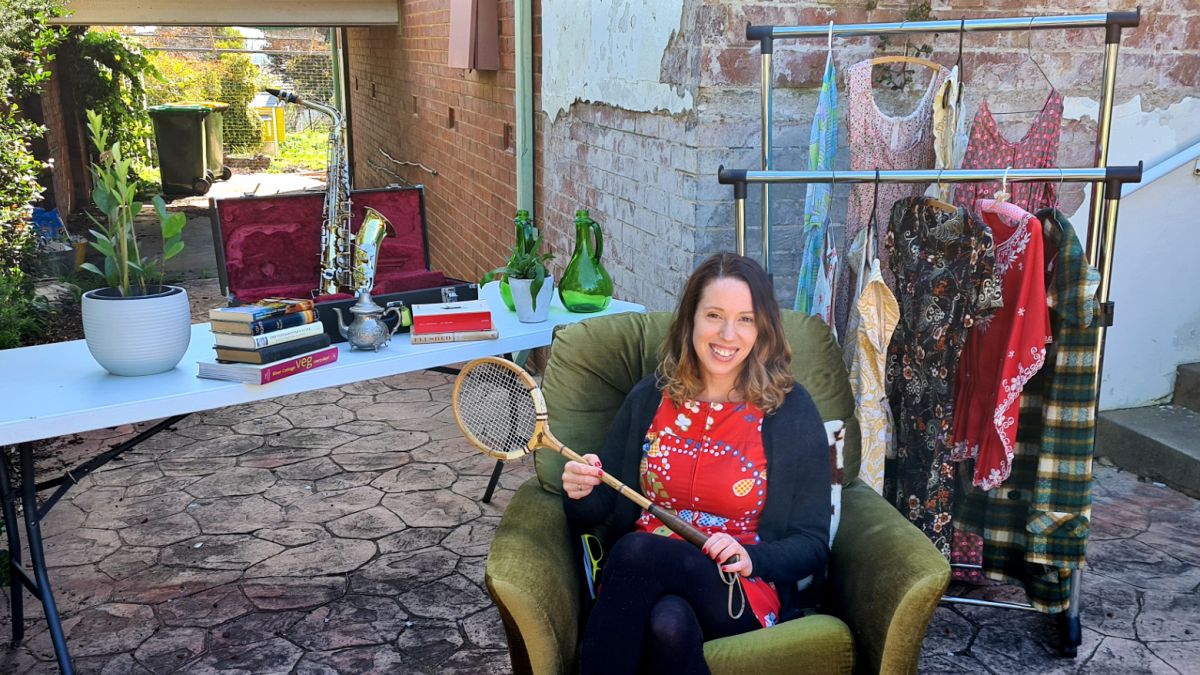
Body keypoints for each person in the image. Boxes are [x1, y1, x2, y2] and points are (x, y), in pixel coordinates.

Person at [562, 252, 832, 674]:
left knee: (634, 552)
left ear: (762, 328)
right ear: (690, 320)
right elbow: (602, 509)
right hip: (644, 583)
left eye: (745, 318)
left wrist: (751, 557)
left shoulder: (789, 410)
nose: (728, 334)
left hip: (739, 586)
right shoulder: (651, 397)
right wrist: (580, 489)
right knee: (668, 623)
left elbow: (813, 544)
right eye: (714, 315)